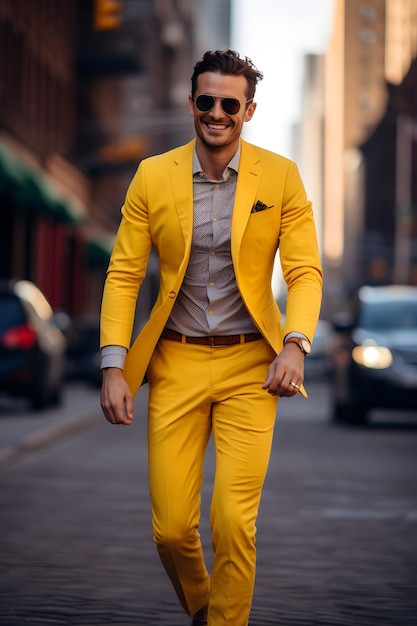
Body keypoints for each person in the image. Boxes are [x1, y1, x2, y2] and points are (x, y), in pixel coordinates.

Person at [100, 49, 322, 626]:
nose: (217, 113)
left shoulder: (281, 177)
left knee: (233, 521)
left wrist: (295, 345)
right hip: (174, 363)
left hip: (252, 365)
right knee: (172, 530)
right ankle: (204, 605)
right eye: (207, 101)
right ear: (192, 103)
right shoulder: (153, 175)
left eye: (230, 103)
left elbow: (304, 272)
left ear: (248, 110)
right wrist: (113, 366)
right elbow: (125, 273)